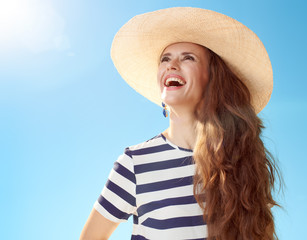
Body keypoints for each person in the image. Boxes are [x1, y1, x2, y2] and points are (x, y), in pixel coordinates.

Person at [80, 7, 282, 240]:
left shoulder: (240, 160)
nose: (171, 65)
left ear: (213, 77)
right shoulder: (135, 163)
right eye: (165, 58)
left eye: (188, 57)